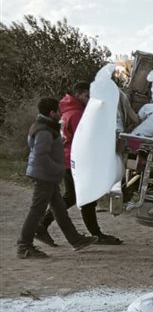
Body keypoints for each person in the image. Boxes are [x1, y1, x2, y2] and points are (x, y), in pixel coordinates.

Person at [35, 82, 123, 246]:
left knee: (72, 196)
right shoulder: (76, 114)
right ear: (79, 94)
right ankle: (96, 235)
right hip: (76, 160)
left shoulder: (66, 111)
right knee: (82, 197)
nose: (89, 100)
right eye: (87, 96)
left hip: (67, 159)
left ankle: (42, 225)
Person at [17, 98, 98, 258]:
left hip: (46, 175)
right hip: (44, 175)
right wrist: (58, 169)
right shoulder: (45, 131)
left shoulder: (44, 127)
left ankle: (75, 240)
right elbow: (41, 155)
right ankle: (24, 246)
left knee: (60, 210)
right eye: (57, 111)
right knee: (36, 211)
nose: (60, 114)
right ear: (51, 113)